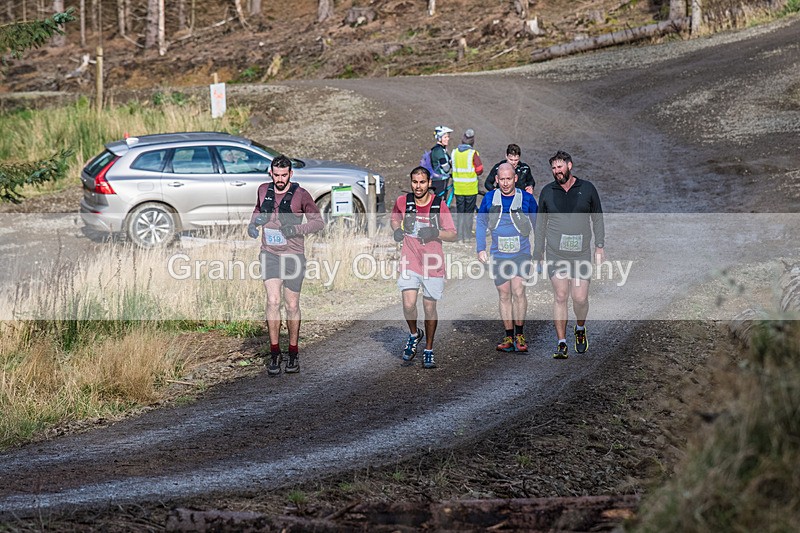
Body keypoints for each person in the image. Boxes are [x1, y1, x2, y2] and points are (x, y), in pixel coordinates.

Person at [248, 154, 325, 376]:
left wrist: (296, 230)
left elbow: (318, 222)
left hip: (293, 255)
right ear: (271, 173)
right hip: (269, 253)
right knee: (273, 301)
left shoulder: (301, 195)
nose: (280, 179)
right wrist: (252, 226)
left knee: (291, 306)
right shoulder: (263, 189)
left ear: (291, 174)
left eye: (284, 175)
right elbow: (257, 209)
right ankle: (274, 353)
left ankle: (293, 352)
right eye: (276, 175)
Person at [533, 150, 605, 359]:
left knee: (580, 298)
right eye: (554, 168)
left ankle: (580, 329)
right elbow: (540, 225)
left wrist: (599, 246)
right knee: (561, 296)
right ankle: (562, 342)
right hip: (556, 253)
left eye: (560, 167)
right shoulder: (547, 192)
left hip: (581, 252)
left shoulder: (588, 189)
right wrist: (538, 253)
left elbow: (597, 218)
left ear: (569, 166)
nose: (557, 171)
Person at [391, 166, 457, 369]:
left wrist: (434, 233)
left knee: (429, 308)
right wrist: (397, 231)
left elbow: (453, 234)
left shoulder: (439, 205)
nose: (417, 186)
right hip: (410, 260)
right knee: (409, 304)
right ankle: (413, 334)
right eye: (414, 182)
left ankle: (428, 349)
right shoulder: (403, 202)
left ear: (429, 183)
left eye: (422, 182)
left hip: (432, 263)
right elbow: (394, 218)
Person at [476, 163, 538, 353]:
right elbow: (480, 222)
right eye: (501, 179)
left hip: (521, 253)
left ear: (515, 179)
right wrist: (481, 248)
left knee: (518, 291)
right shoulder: (489, 198)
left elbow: (538, 224)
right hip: (498, 254)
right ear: (496, 179)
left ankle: (520, 335)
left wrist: (540, 253)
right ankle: (508, 336)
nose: (505, 183)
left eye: (508, 179)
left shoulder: (526, 199)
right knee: (504, 294)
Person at [450, 128, 484, 242]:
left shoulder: (454, 153)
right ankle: (467, 236)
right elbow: (479, 170)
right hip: (470, 189)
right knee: (468, 213)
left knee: (460, 213)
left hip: (458, 188)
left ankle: (460, 237)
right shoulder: (473, 154)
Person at [429, 125, 454, 196]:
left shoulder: (442, 150)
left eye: (448, 137)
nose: (448, 139)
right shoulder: (439, 151)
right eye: (445, 137)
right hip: (440, 180)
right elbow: (446, 168)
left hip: (440, 179)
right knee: (440, 201)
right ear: (439, 138)